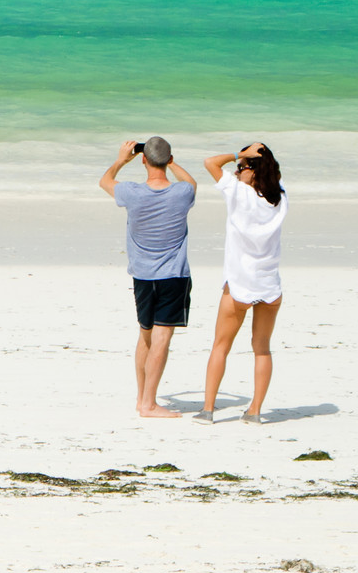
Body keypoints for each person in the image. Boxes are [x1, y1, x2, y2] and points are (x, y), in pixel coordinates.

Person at [95, 137, 199, 418]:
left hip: (142, 275)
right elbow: (192, 182)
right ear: (168, 160)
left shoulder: (131, 192)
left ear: (143, 160)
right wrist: (171, 162)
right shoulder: (182, 193)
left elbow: (105, 181)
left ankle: (143, 398)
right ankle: (149, 404)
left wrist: (120, 160)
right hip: (172, 275)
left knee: (145, 337)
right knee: (162, 339)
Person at [198, 144, 286, 423]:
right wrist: (255, 160)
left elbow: (210, 162)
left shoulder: (238, 193)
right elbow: (273, 180)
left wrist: (240, 154)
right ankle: (255, 411)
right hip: (269, 284)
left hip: (239, 283)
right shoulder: (280, 198)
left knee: (221, 346)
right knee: (262, 348)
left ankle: (208, 410)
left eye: (241, 168)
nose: (236, 172)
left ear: (252, 171)